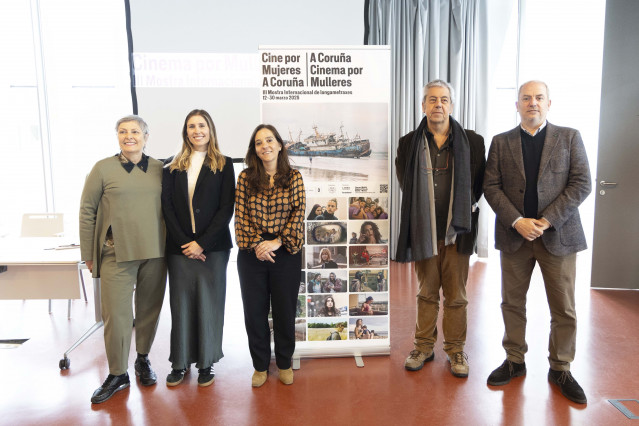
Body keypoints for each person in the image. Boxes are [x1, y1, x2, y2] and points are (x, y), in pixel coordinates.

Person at [483, 81, 591, 404]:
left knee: (564, 308)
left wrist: (547, 220)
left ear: (549, 103)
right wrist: (517, 221)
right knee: (512, 303)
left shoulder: (569, 137)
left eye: (539, 98)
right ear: (516, 105)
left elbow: (582, 182)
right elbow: (491, 186)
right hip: (515, 237)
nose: (533, 103)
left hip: (557, 236)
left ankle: (560, 367)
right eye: (526, 98)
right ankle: (514, 360)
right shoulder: (501, 143)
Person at [396, 80, 486, 378]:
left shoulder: (473, 142)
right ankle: (423, 346)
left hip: (458, 233)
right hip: (423, 231)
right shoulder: (408, 143)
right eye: (432, 99)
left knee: (457, 295)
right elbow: (405, 186)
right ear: (423, 105)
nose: (438, 104)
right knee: (426, 293)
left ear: (451, 104)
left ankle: (456, 349)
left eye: (444, 99)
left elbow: (478, 186)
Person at [79, 115, 167, 404]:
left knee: (148, 311)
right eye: (123, 131)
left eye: (135, 131)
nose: (129, 136)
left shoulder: (160, 168)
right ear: (117, 136)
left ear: (146, 135)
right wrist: (88, 254)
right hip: (115, 253)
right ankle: (118, 373)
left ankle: (142, 360)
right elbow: (87, 211)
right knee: (116, 316)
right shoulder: (102, 168)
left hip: (155, 252)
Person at [161, 109, 235, 387]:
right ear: (185, 132)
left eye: (201, 125)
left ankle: (206, 363)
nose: (197, 131)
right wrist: (186, 244)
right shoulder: (171, 165)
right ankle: (179, 363)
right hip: (179, 249)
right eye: (191, 126)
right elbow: (166, 207)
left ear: (210, 129)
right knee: (180, 305)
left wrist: (202, 243)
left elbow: (226, 207)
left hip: (213, 249)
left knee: (209, 305)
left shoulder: (224, 164)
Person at [235, 124, 306, 387]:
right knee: (254, 313)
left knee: (284, 312)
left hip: (285, 252)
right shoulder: (245, 178)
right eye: (258, 142)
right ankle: (260, 366)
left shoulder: (294, 177)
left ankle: (285, 363)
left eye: (269, 140)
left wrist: (276, 242)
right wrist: (258, 244)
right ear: (254, 150)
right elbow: (240, 217)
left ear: (279, 145)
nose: (264, 146)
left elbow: (298, 214)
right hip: (251, 255)